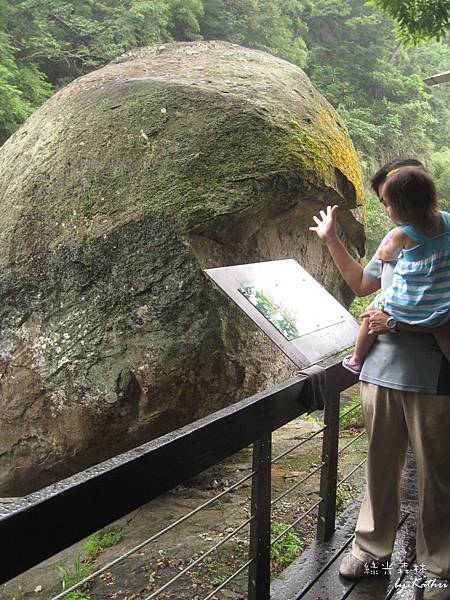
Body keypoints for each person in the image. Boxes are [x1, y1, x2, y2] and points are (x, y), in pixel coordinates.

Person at [310, 158, 450, 600]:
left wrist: (408, 324)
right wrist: (331, 239)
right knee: (379, 464)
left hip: (434, 375)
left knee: (438, 474)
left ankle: (438, 567)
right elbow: (363, 284)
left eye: (390, 200)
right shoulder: (393, 239)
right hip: (381, 371)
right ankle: (372, 549)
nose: (388, 209)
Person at [339, 166, 450, 373]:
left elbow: (385, 255)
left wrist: (386, 245)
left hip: (407, 302)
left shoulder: (403, 233)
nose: (386, 209)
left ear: (402, 207)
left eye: (387, 204)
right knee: (445, 334)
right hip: (442, 302)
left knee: (370, 312)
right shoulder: (447, 222)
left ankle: (355, 359)